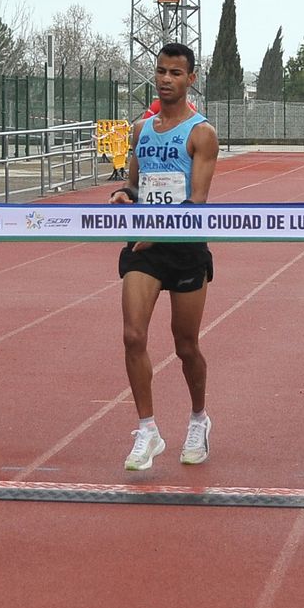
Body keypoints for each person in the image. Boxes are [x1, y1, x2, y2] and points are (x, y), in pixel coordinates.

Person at [111, 42, 219, 471]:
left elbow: (198, 202)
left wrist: (158, 233)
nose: (165, 79)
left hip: (185, 247)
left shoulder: (201, 133)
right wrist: (122, 194)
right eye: (160, 71)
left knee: (186, 344)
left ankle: (198, 419)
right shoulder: (141, 130)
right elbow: (133, 186)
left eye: (175, 73)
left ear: (191, 79)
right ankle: (147, 429)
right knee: (133, 336)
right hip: (144, 249)